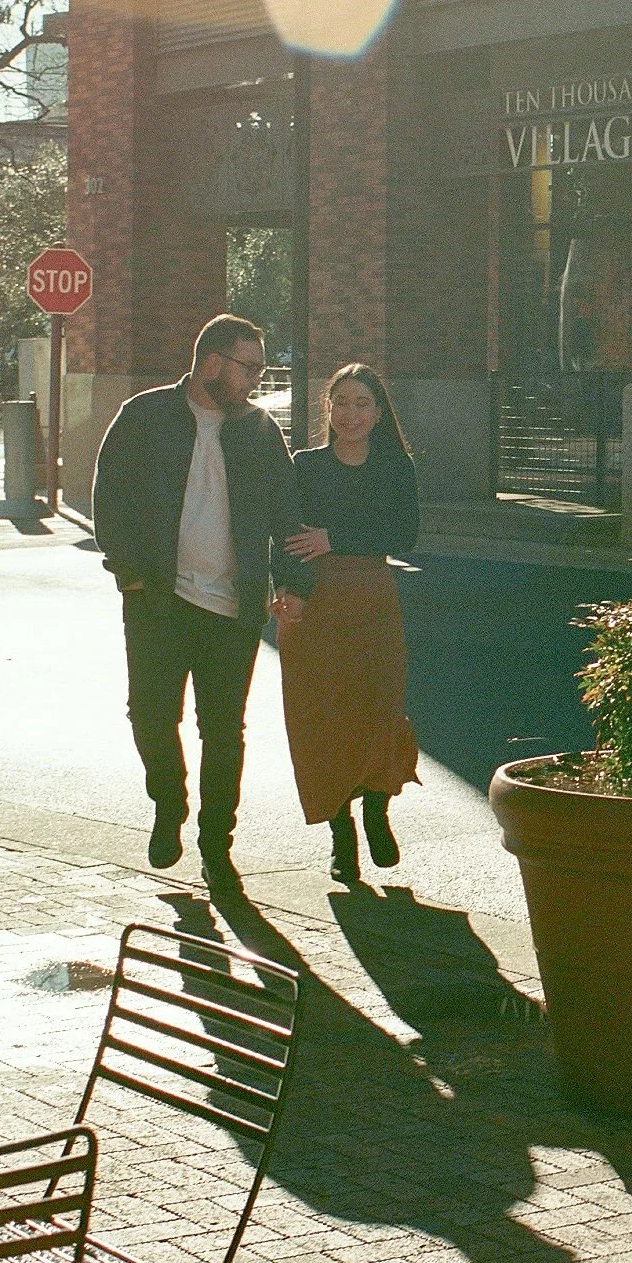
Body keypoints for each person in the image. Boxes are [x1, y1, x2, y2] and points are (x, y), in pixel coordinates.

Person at [91, 312, 311, 897]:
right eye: (249, 367)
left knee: (224, 730)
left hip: (233, 608)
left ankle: (217, 841)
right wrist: (128, 572)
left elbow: (286, 511)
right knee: (150, 716)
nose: (256, 381)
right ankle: (169, 801)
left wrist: (290, 581)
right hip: (158, 599)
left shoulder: (259, 430)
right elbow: (109, 494)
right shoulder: (147, 416)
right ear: (211, 361)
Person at [275, 363, 420, 883]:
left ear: (379, 412)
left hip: (371, 598)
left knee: (379, 708)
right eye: (342, 403)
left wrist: (337, 536)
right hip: (315, 603)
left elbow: (404, 534)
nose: (351, 414)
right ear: (327, 409)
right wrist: (287, 591)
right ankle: (341, 836)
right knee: (322, 718)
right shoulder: (306, 465)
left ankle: (377, 810)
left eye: (362, 404)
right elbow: (287, 534)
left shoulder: (394, 466)